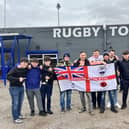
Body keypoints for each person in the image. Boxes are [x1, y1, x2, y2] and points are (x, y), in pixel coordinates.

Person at [7, 58, 28, 124]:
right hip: (14, 88)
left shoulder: (25, 69)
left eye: (26, 63)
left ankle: (19, 115)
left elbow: (33, 64)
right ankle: (15, 118)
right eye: (23, 62)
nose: (24, 64)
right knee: (15, 103)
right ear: (20, 63)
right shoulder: (14, 69)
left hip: (21, 87)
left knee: (20, 102)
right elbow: (8, 77)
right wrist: (18, 79)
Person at [73, 51, 94, 115]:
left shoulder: (88, 62)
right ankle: (83, 108)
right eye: (82, 55)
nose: (83, 56)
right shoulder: (76, 62)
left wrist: (84, 66)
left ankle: (90, 110)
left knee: (89, 96)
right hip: (80, 82)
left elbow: (91, 71)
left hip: (87, 82)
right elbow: (74, 71)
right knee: (81, 96)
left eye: (84, 55)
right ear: (80, 56)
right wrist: (79, 66)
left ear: (86, 56)